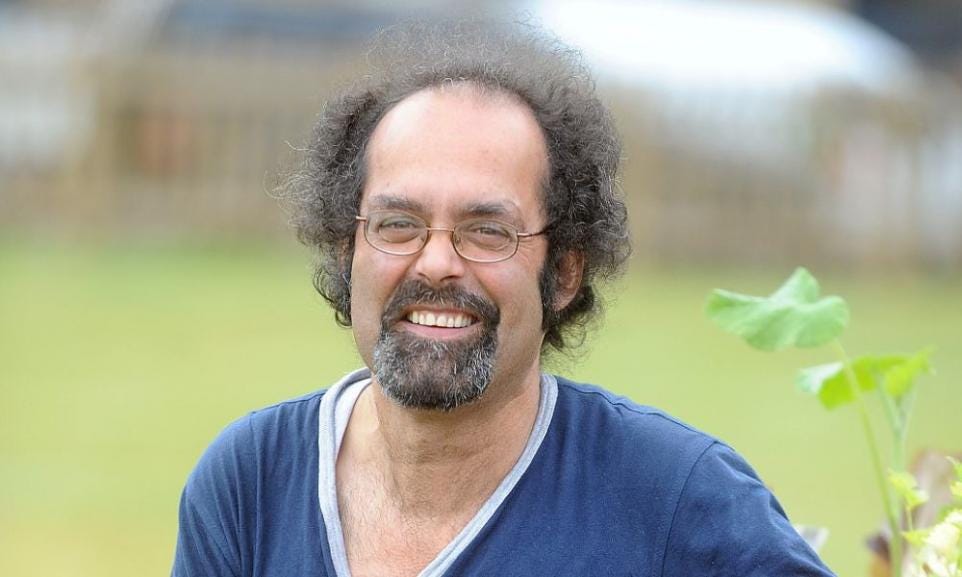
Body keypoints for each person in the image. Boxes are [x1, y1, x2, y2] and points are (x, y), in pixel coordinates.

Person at [172, 19, 835, 577]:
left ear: (565, 272)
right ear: (348, 252)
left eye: (486, 231)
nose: (436, 261)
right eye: (398, 224)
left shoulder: (675, 500)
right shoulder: (251, 484)